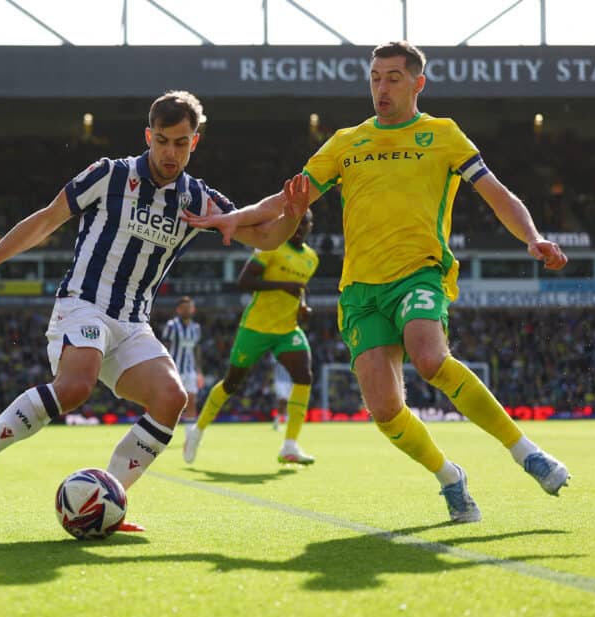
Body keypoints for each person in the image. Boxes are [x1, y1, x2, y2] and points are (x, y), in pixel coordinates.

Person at [185, 42, 571, 523]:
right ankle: (450, 477)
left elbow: (497, 194)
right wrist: (231, 219)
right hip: (361, 292)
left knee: (430, 358)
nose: (381, 88)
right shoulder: (347, 142)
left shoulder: (443, 134)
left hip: (419, 272)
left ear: (417, 83)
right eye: (374, 78)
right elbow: (287, 199)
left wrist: (532, 238)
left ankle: (526, 452)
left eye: (392, 77)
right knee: (386, 411)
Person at [0, 91, 310, 527]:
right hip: (83, 306)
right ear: (148, 135)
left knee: (170, 398)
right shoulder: (109, 175)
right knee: (75, 387)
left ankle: (106, 501)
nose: (170, 152)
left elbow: (267, 237)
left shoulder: (198, 199)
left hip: (133, 323)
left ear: (194, 142)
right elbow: (47, 219)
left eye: (180, 143)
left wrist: (292, 214)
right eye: (162, 140)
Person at [184, 211, 319, 465]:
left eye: (304, 224)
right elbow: (245, 281)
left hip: (287, 330)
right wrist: (282, 285)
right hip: (256, 327)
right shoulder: (271, 247)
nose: (299, 228)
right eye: (295, 223)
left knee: (304, 376)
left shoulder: (311, 259)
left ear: (311, 227)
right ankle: (197, 430)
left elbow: (299, 289)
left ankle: (289, 445)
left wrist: (303, 306)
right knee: (231, 384)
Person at [161, 296, 203, 420]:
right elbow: (164, 347)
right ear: (178, 310)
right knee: (170, 402)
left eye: (189, 308)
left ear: (193, 309)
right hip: (173, 370)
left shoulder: (196, 328)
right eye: (184, 308)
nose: (187, 310)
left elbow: (196, 349)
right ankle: (163, 434)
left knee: (191, 402)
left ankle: (190, 438)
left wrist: (199, 371)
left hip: (190, 370)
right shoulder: (171, 326)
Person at [271, 359, 293, 430]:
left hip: (289, 382)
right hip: (280, 382)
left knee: (287, 402)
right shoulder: (276, 354)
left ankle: (277, 422)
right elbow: (272, 364)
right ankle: (284, 420)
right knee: (283, 401)